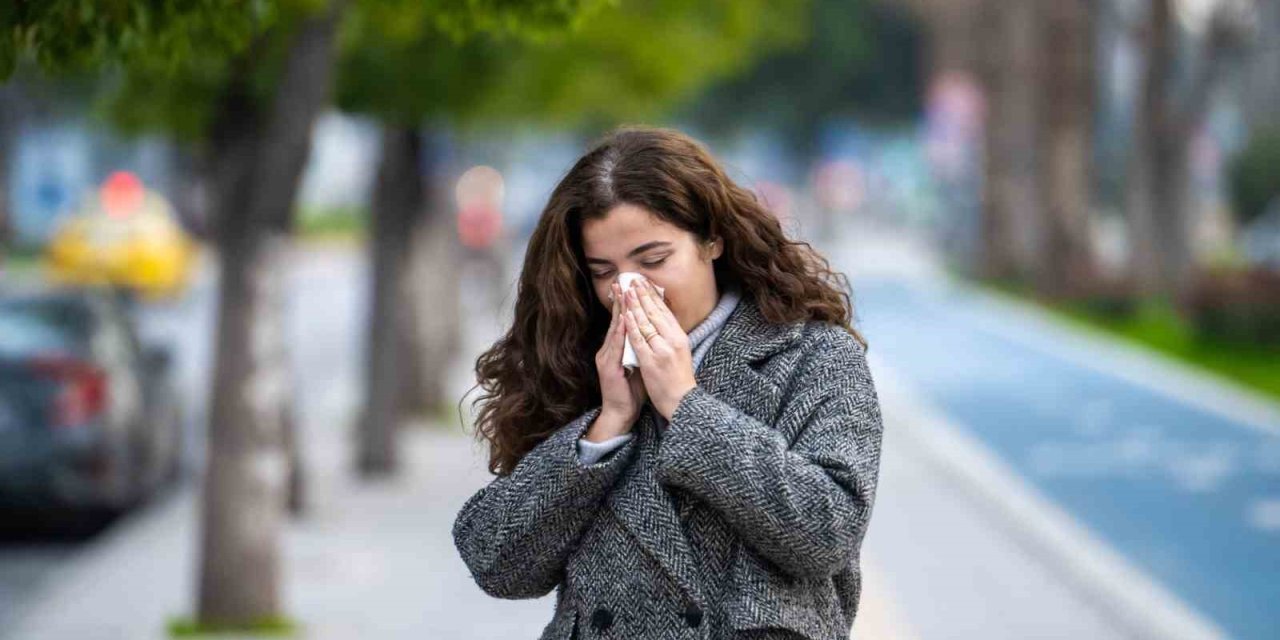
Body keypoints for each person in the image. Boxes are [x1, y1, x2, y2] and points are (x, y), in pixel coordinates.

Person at [453, 126, 884, 640]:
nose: (629, 289)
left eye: (654, 260)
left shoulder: (813, 356)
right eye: (603, 271)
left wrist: (687, 406)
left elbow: (828, 531)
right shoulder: (576, 363)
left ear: (712, 240)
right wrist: (606, 427)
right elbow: (496, 564)